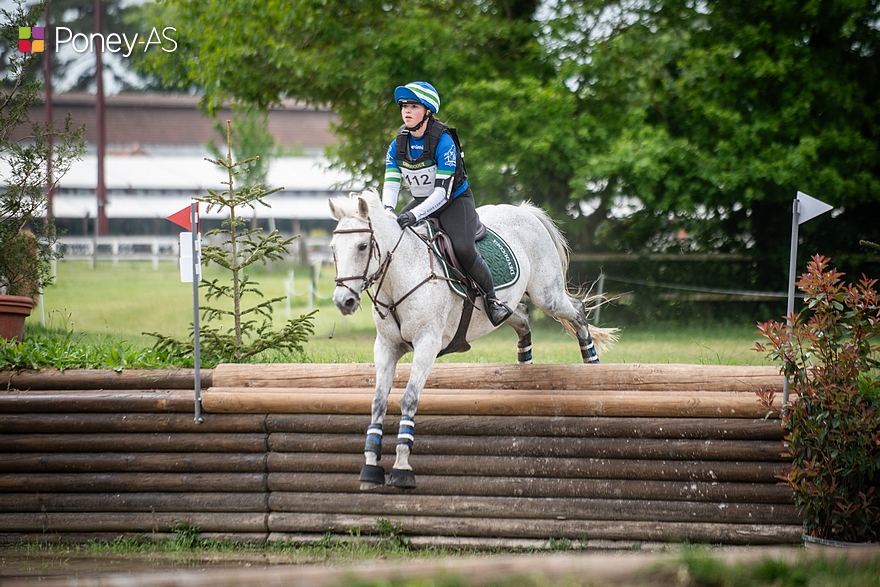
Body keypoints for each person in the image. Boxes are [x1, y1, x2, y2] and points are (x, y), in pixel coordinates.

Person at [381, 81, 513, 327]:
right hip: (422, 201)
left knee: (463, 248)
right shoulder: (396, 145)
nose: (406, 111)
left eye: (413, 106)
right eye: (403, 106)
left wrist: (413, 216)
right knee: (394, 238)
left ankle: (493, 301)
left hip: (454, 201)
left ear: (428, 111)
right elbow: (391, 185)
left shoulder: (444, 141)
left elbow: (442, 194)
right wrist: (388, 212)